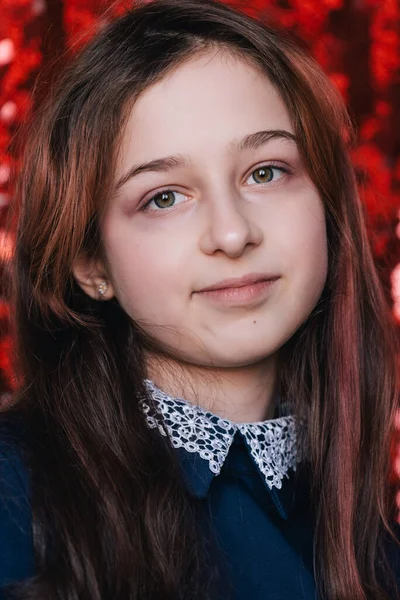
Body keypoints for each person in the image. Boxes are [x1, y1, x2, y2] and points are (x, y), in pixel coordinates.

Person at [1, 0, 399, 597]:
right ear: (90, 263)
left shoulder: (370, 541)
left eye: (265, 172)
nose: (233, 234)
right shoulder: (15, 499)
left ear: (327, 206)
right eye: (164, 197)